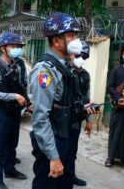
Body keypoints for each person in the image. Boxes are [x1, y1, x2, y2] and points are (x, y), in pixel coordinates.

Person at [29, 12, 94, 189]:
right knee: (47, 184)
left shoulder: (65, 66)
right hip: (52, 139)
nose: (76, 40)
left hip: (64, 134)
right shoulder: (45, 71)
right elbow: (41, 118)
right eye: (71, 36)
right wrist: (53, 156)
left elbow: (65, 102)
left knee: (64, 184)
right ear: (57, 41)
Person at [0, 32, 31, 189]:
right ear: (3, 48)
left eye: (19, 46)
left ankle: (10, 169)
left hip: (15, 112)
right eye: (13, 46)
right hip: (2, 112)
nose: (17, 49)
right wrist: (13, 96)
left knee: (12, 143)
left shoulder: (19, 65)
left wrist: (28, 103)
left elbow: (23, 87)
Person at [67, 39, 93, 186]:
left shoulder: (86, 75)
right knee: (62, 149)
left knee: (72, 149)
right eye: (77, 56)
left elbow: (86, 99)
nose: (80, 59)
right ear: (70, 55)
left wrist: (89, 121)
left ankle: (71, 176)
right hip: (63, 118)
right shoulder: (64, 73)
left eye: (84, 56)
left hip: (77, 118)